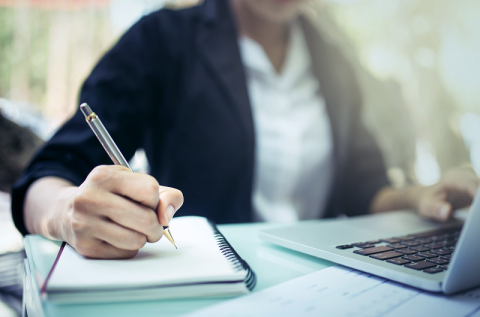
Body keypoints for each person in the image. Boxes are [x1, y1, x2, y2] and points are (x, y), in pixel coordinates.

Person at [11, 0, 479, 259]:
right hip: (207, 285)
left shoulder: (335, 59)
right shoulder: (163, 40)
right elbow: (48, 173)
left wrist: (419, 197)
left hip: (322, 285)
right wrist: (65, 213)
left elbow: (364, 188)